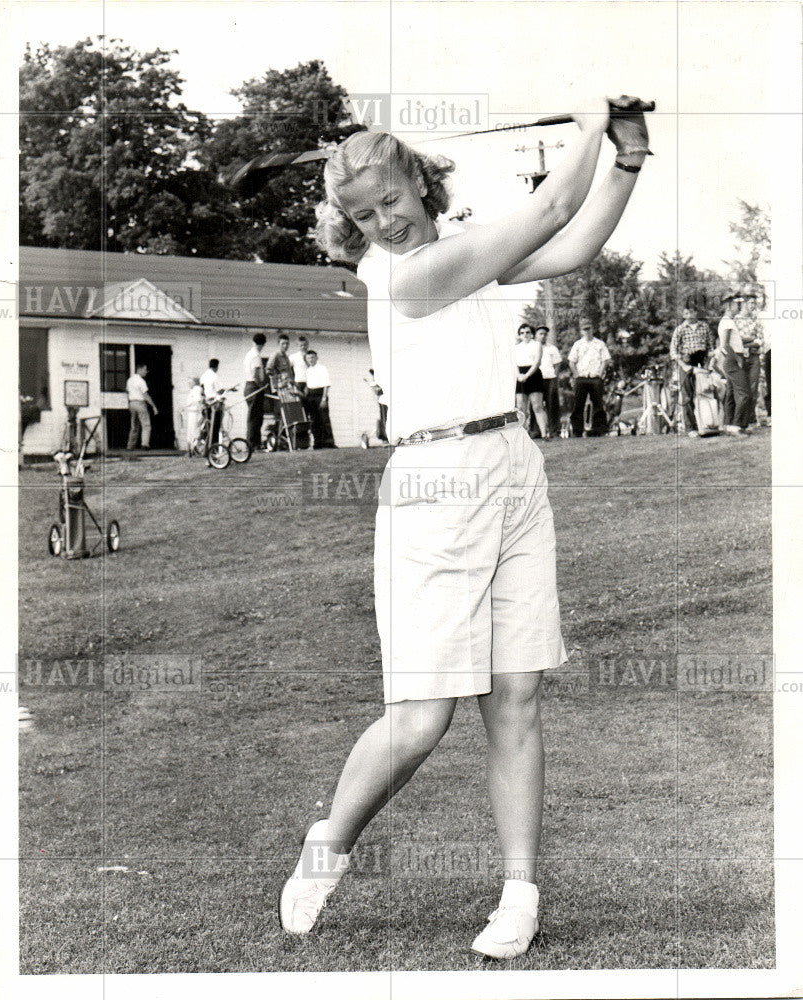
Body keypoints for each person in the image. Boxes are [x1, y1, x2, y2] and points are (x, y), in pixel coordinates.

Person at [281, 96, 650, 959]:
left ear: (418, 178)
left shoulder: (469, 250)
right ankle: (329, 841)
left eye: (390, 201)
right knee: (420, 720)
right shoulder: (401, 275)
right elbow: (551, 205)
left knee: (515, 694)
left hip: (512, 466)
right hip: (432, 487)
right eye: (362, 215)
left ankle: (518, 894)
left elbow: (574, 242)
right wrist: (588, 125)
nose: (384, 222)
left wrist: (626, 158)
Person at [669, 302, 716, 437]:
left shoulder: (704, 327)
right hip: (687, 363)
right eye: (686, 313)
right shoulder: (680, 329)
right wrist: (684, 366)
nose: (689, 315)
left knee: (706, 393)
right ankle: (691, 428)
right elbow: (673, 351)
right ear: (683, 314)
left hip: (702, 362)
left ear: (696, 312)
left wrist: (709, 364)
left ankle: (708, 424)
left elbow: (710, 347)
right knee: (687, 396)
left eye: (692, 312)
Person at [567, 318, 611, 436]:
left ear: (593, 329)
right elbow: (571, 361)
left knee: (598, 404)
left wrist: (600, 374)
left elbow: (605, 360)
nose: (587, 331)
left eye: (589, 329)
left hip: (595, 377)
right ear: (581, 331)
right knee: (578, 404)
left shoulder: (600, 344)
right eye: (584, 329)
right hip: (581, 377)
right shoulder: (578, 344)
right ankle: (577, 430)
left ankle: (598, 429)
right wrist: (576, 375)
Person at [717, 294, 751, 435]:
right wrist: (737, 358)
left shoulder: (728, 322)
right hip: (733, 360)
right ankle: (737, 425)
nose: (740, 307)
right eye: (737, 304)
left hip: (732, 359)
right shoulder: (727, 322)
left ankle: (729, 424)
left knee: (731, 394)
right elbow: (724, 345)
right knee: (745, 393)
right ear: (729, 306)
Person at [734, 294, 764, 426]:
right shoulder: (737, 320)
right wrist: (752, 340)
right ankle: (740, 419)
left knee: (753, 387)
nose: (752, 306)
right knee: (742, 388)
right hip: (741, 357)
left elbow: (760, 341)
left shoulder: (756, 320)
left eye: (754, 303)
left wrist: (748, 342)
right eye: (750, 303)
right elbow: (736, 340)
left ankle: (750, 419)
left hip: (754, 357)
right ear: (744, 304)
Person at [515, 323, 548, 438]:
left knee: (537, 406)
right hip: (520, 375)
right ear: (519, 335)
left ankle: (544, 434)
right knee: (520, 407)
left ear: (532, 334)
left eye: (528, 332)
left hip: (533, 375)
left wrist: (527, 375)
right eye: (522, 333)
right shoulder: (516, 347)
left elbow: (537, 362)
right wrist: (519, 375)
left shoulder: (537, 345)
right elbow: (513, 364)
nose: (525, 335)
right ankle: (522, 435)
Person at [304, 350, 336, 448]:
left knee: (324, 419)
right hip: (311, 395)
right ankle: (317, 443)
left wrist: (324, 399)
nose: (311, 360)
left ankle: (329, 443)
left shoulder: (322, 368)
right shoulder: (308, 371)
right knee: (314, 420)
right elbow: (308, 385)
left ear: (316, 358)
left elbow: (326, 385)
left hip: (320, 394)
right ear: (306, 359)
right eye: (309, 358)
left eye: (313, 357)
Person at [536, 326, 562, 437]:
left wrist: (555, 376)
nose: (543, 336)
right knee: (536, 406)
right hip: (536, 379)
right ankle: (535, 431)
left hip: (550, 378)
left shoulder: (552, 348)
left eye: (545, 334)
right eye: (541, 334)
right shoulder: (533, 347)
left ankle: (554, 431)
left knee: (552, 405)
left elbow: (557, 364)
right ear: (536, 335)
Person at [126, 363, 158, 450]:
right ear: (139, 369)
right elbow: (145, 395)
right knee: (146, 424)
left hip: (132, 403)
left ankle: (130, 445)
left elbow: (127, 392)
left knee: (134, 425)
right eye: (145, 370)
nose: (146, 372)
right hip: (140, 403)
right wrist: (154, 406)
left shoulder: (130, 380)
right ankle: (145, 444)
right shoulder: (141, 381)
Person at [243, 333, 267, 450]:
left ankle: (255, 443)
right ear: (263, 344)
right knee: (255, 417)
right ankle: (252, 444)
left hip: (248, 386)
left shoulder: (249, 354)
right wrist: (262, 386)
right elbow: (256, 374)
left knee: (256, 416)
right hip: (254, 386)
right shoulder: (256, 355)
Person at [362, 369, 389, 448]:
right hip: (382, 403)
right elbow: (377, 391)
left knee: (386, 420)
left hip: (386, 402)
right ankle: (384, 439)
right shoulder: (375, 383)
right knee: (383, 420)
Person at [199, 359, 223, 446]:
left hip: (207, 403)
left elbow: (202, 390)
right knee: (215, 427)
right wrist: (229, 390)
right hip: (214, 403)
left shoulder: (203, 376)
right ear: (217, 366)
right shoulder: (215, 376)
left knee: (208, 426)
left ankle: (206, 445)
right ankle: (214, 447)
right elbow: (220, 390)